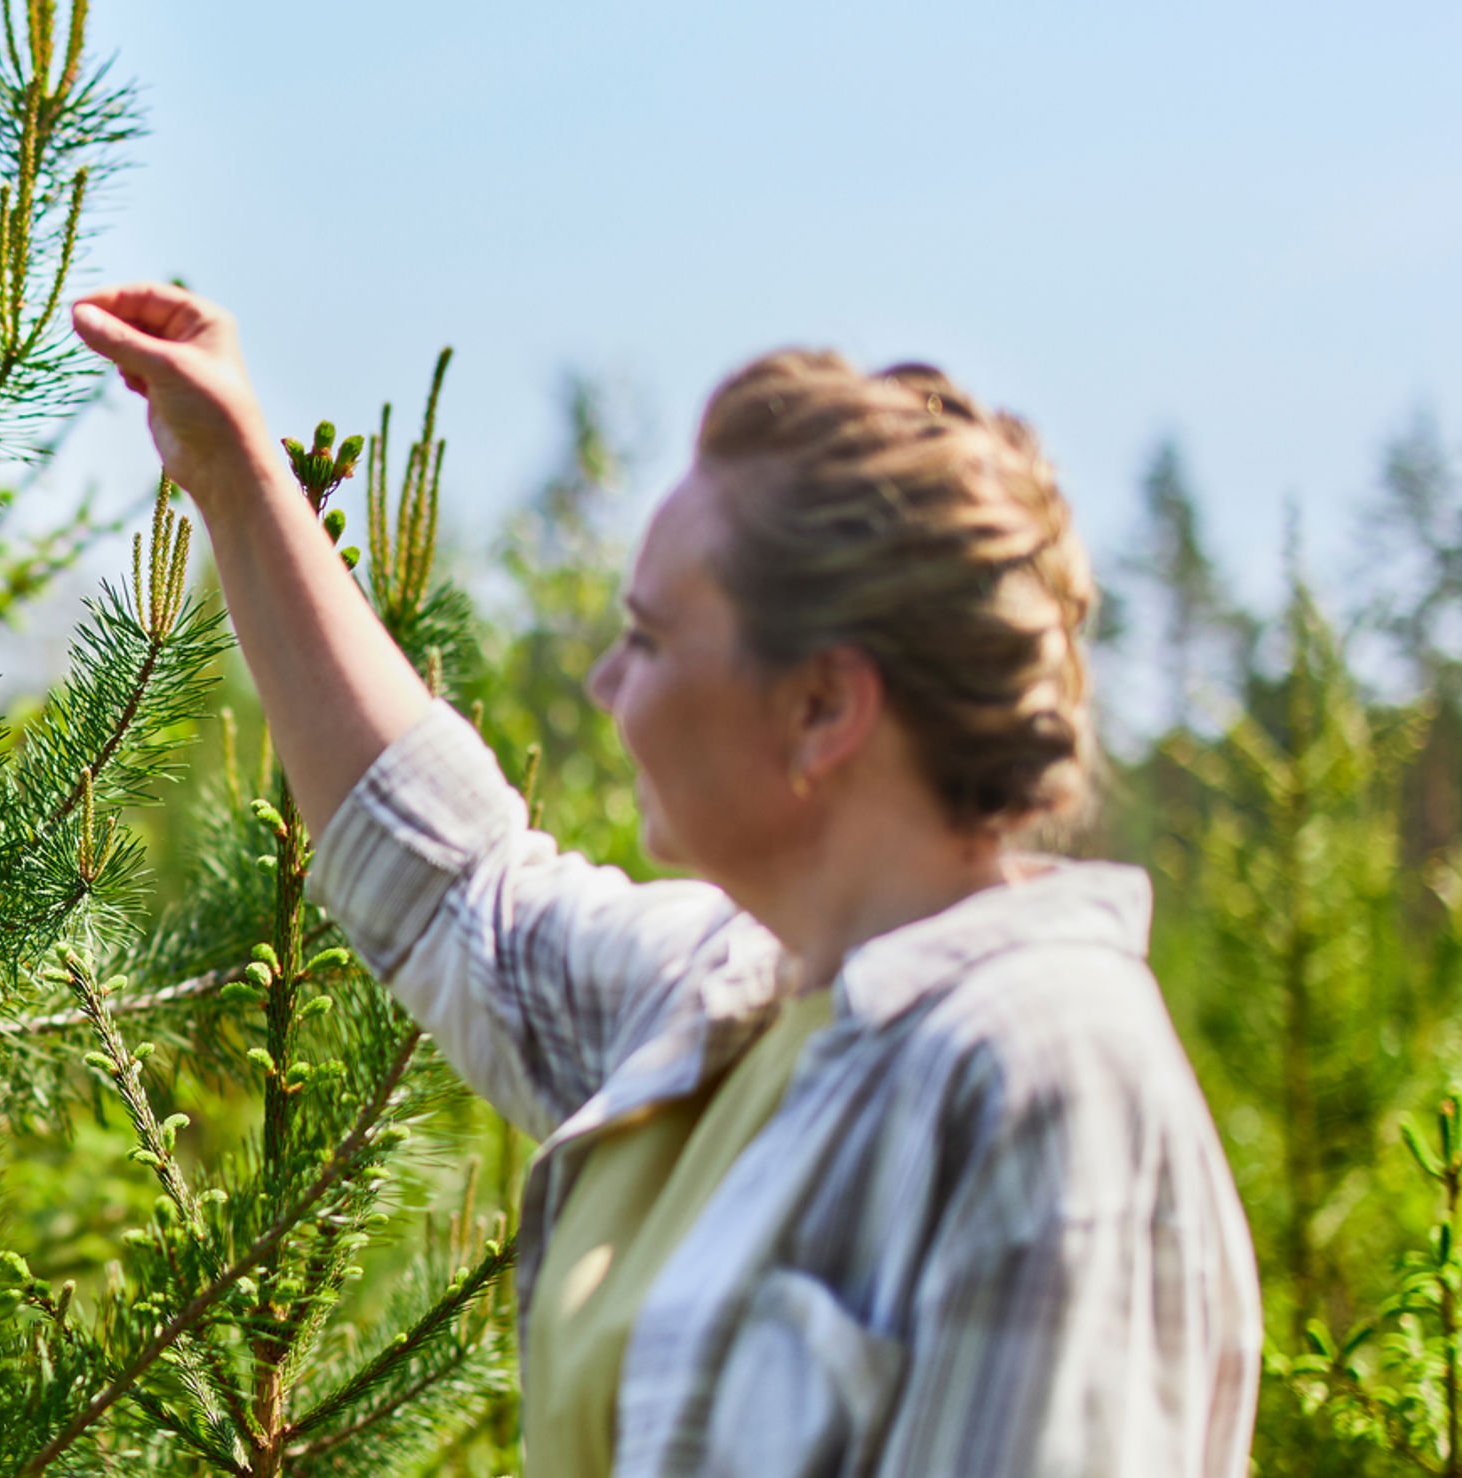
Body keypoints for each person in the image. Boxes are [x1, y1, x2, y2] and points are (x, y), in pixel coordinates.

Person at [70, 284, 1258, 1475]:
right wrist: (234, 474)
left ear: (823, 704)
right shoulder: (728, 1005)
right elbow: (452, 883)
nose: (603, 683)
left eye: (646, 637)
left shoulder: (1038, 1083)